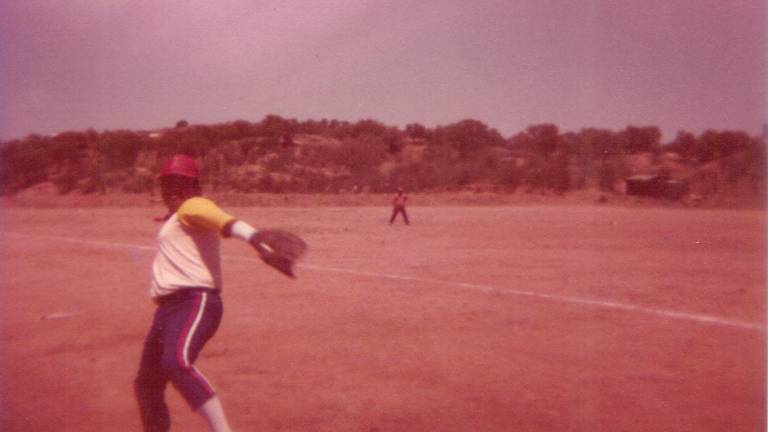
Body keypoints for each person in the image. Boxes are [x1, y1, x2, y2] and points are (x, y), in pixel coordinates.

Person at [134, 154, 304, 432]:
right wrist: (171, 217)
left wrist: (254, 237)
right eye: (167, 183)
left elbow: (221, 219)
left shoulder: (193, 205)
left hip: (193, 302)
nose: (171, 189)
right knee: (147, 383)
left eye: (179, 182)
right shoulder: (181, 214)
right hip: (167, 309)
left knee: (176, 362)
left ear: (193, 186)